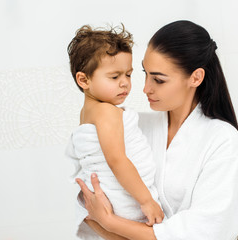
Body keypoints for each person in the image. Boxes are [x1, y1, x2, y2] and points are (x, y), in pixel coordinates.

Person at [76, 20, 238, 240]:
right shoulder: (132, 126)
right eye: (144, 74)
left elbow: (205, 230)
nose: (145, 88)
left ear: (196, 77)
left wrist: (109, 222)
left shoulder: (222, 139)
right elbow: (88, 193)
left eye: (158, 80)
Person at [65, 24, 164, 239]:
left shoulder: (88, 113)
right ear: (84, 80)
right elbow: (116, 160)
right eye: (114, 77)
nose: (125, 84)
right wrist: (146, 200)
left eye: (128, 75)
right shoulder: (106, 112)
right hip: (126, 199)